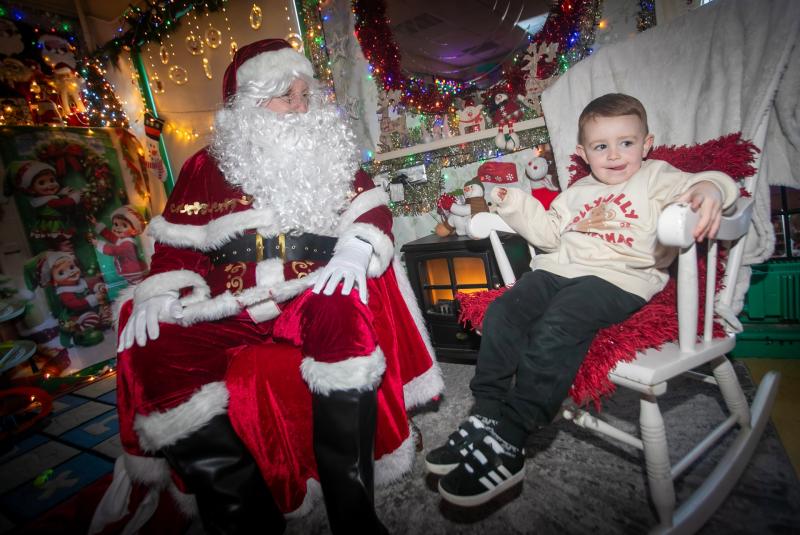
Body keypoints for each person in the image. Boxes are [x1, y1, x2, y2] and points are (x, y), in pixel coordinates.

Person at [91, 39, 442, 535]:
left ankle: (352, 512)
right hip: (231, 300)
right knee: (157, 346)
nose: (301, 106)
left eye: (305, 94)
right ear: (252, 103)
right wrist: (161, 290)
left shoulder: (330, 150)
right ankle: (241, 516)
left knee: (344, 314)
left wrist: (356, 247)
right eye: (287, 96)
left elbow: (370, 208)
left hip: (312, 286)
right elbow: (177, 246)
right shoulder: (202, 167)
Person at [425, 93, 739, 507]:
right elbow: (549, 234)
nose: (614, 155)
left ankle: (512, 436)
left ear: (646, 144)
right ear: (583, 152)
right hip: (558, 270)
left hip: (619, 277)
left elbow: (713, 182)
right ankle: (486, 411)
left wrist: (709, 190)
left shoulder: (657, 176)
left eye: (626, 142)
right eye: (601, 146)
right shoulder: (576, 191)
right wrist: (513, 202)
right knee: (504, 311)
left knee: (560, 322)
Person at [90, 205, 149, 284]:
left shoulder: (128, 244)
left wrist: (99, 244)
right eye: (116, 224)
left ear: (134, 231)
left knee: (141, 285)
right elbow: (110, 236)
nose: (117, 228)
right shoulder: (122, 240)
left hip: (135, 272)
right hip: (130, 273)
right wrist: (96, 224)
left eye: (124, 225)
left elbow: (114, 251)